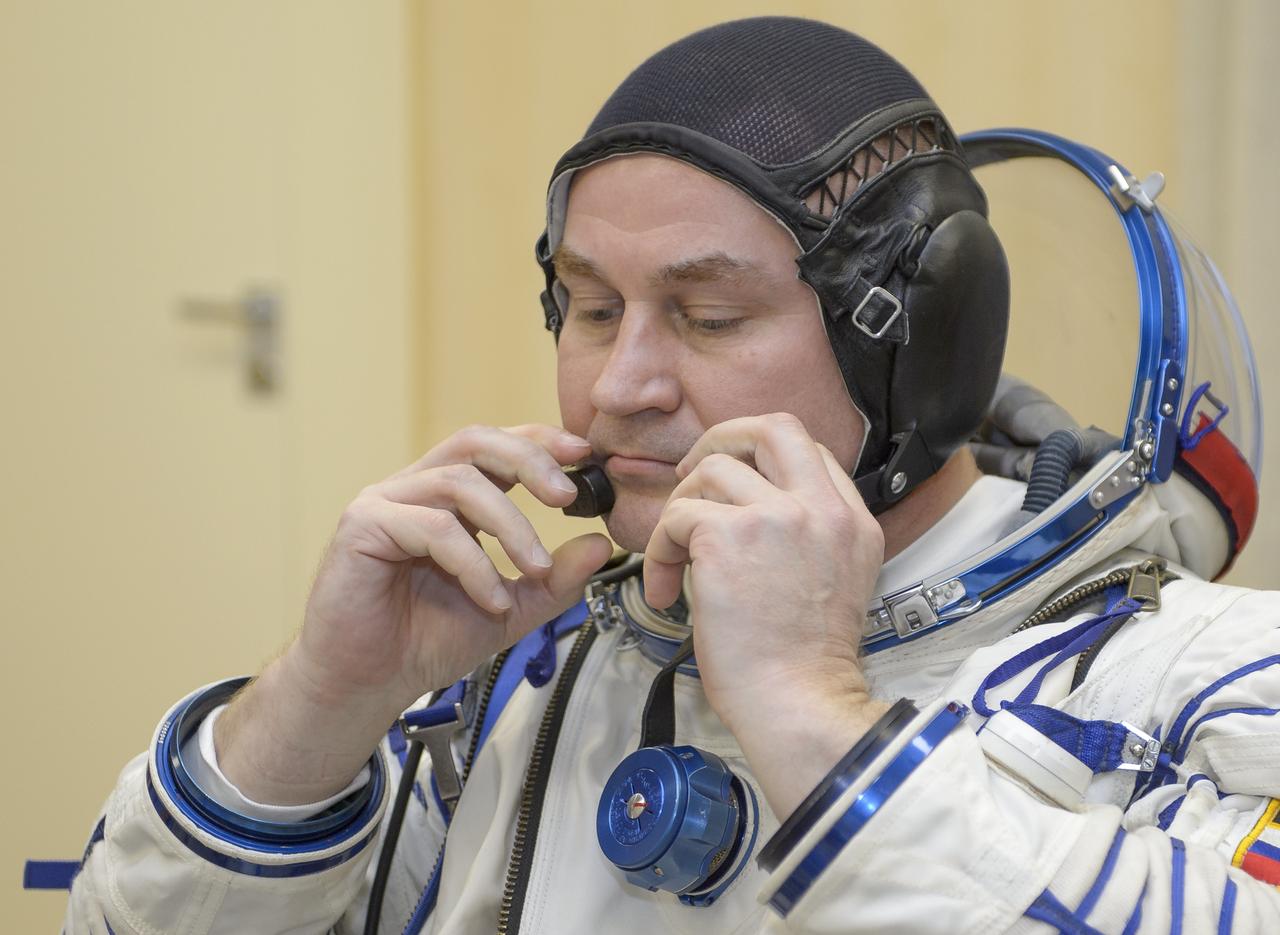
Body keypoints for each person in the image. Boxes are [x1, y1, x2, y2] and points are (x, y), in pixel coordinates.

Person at [59, 16, 1280, 934]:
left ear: (918, 338)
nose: (616, 385)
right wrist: (319, 706)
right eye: (591, 307)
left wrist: (810, 708)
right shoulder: (515, 674)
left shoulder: (1209, 679)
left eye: (705, 315)